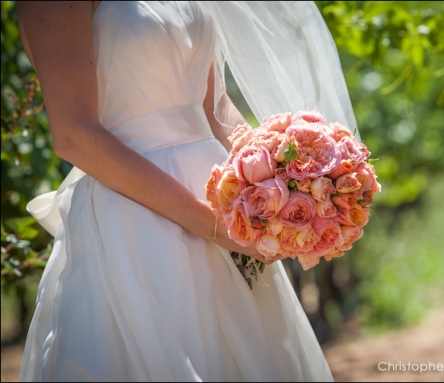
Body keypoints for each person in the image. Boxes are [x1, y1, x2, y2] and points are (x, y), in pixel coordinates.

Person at [17, 1, 357, 381]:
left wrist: (287, 177)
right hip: (134, 216)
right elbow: (75, 136)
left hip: (223, 201)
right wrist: (212, 226)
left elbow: (214, 109)